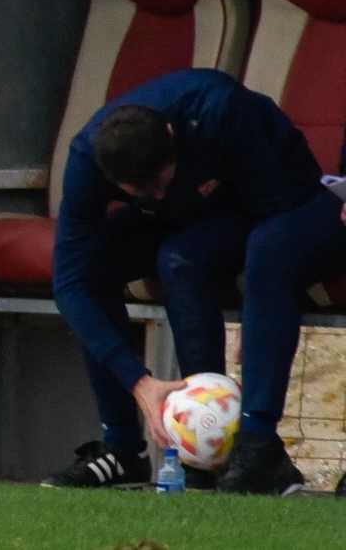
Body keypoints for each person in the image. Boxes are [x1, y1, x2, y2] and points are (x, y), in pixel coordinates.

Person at [43, 68, 346, 495]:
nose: (159, 194)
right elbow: (69, 283)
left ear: (173, 139)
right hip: (191, 216)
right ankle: (124, 449)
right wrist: (139, 381)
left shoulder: (221, 110)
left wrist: (262, 315)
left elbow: (277, 216)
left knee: (192, 257)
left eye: (162, 182)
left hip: (279, 201)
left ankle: (254, 445)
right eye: (143, 193)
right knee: (94, 269)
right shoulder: (87, 160)